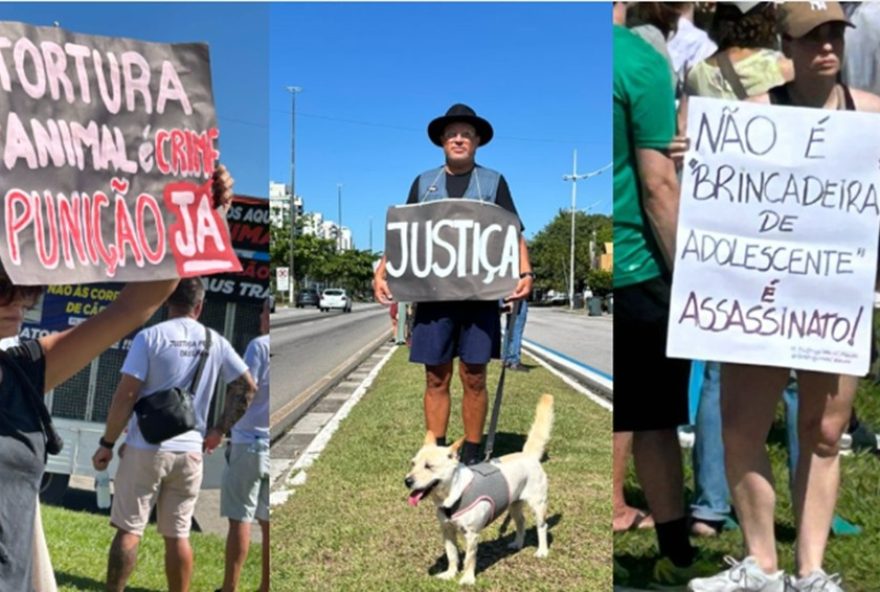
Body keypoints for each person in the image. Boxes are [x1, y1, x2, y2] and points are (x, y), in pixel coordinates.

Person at [689, 3, 880, 590]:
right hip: (758, 300)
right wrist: (693, 159)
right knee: (742, 428)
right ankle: (761, 563)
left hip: (835, 298)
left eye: (834, 34)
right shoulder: (750, 116)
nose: (826, 46)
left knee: (825, 433)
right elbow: (720, 200)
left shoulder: (871, 116)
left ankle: (812, 569)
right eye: (811, 36)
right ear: (785, 46)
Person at [0, 164, 234, 591]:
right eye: (4, 289)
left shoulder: (22, 370)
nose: (19, 304)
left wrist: (195, 214)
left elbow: (135, 305)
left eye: (25, 290)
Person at [612, 4, 715, 586]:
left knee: (621, 412)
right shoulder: (639, 61)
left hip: (615, 268)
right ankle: (675, 554)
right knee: (653, 421)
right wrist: (693, 279)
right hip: (640, 265)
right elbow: (658, 187)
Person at [373, 103, 534, 466]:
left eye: (466, 134)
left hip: (480, 297)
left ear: (477, 142)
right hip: (433, 297)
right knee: (435, 376)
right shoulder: (423, 183)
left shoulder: (493, 182)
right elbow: (404, 236)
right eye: (452, 134)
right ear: (442, 141)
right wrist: (382, 270)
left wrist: (525, 273)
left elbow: (513, 232)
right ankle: (436, 453)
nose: (459, 139)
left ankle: (473, 454)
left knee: (474, 376)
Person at [91, 278, 257, 592]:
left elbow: (127, 394)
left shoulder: (150, 337)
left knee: (129, 529)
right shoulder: (215, 341)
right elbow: (247, 386)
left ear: (167, 300)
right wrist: (219, 429)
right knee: (179, 535)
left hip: (146, 447)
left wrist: (107, 443)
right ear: (200, 306)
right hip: (191, 451)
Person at [217, 298, 270, 592]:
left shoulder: (259, 346)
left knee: (240, 518)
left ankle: (230, 588)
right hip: (271, 443)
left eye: (263, 311)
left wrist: (222, 426)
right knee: (267, 522)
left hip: (249, 442)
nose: (261, 317)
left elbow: (247, 388)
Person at [502, 299, 529, 372]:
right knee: (517, 330)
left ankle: (506, 359)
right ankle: (514, 361)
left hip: (510, 299)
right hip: (518, 300)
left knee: (509, 329)